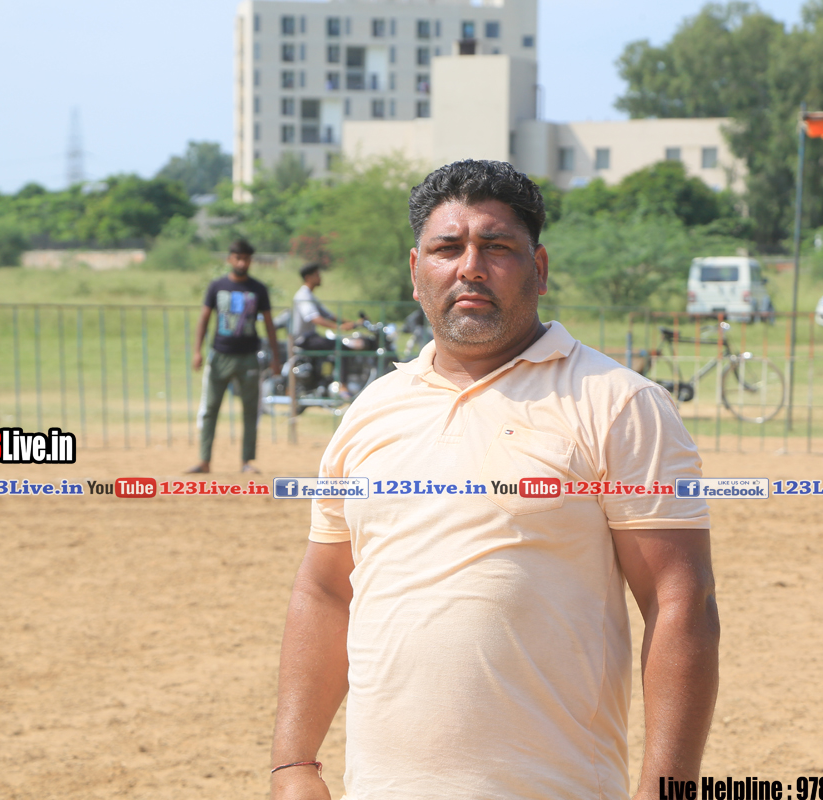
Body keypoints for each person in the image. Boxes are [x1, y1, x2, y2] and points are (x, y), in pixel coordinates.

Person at [270, 160, 718, 800]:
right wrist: (293, 764)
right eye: (447, 248)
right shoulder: (371, 410)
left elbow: (680, 601)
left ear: (539, 268)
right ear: (416, 270)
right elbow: (325, 590)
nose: (470, 267)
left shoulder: (619, 404)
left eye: (497, 247)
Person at [186, 239, 279, 474]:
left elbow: (269, 325)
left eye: (246, 259)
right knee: (210, 408)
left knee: (250, 410)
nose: (242, 263)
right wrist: (197, 351)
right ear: (230, 259)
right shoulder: (217, 286)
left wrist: (275, 357)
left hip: (248, 357)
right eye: (238, 258)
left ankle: (247, 461)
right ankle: (204, 460)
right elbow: (204, 319)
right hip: (220, 356)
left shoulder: (258, 289)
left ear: (251, 261)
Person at [290, 263, 355, 353]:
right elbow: (314, 318)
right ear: (308, 278)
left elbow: (329, 316)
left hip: (312, 337)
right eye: (317, 275)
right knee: (340, 345)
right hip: (304, 340)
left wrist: (352, 323)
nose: (320, 278)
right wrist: (338, 327)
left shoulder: (311, 296)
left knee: (345, 343)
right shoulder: (303, 295)